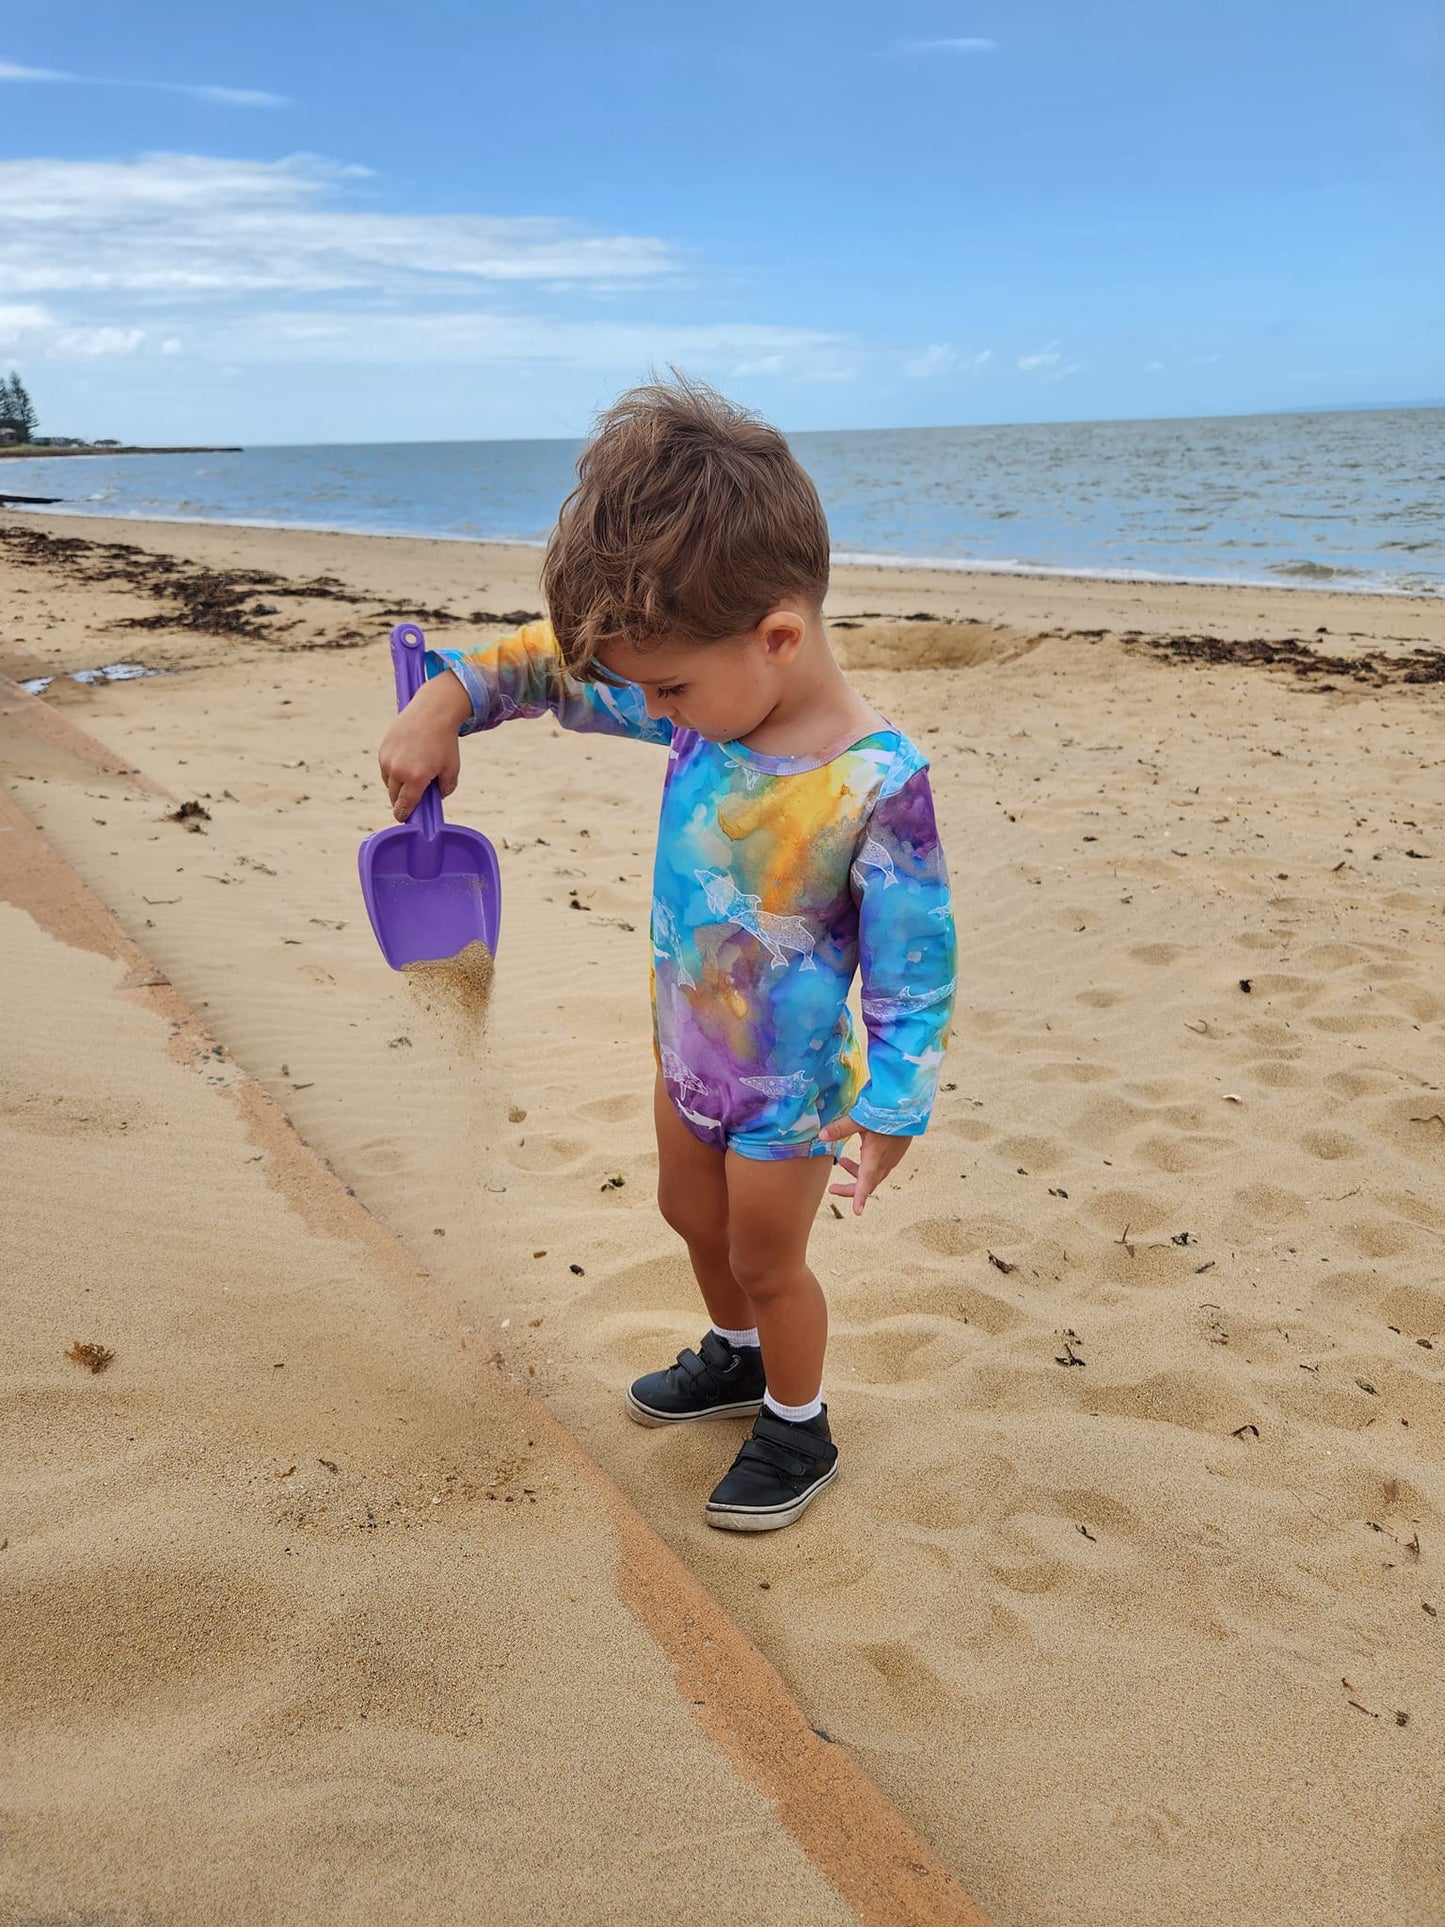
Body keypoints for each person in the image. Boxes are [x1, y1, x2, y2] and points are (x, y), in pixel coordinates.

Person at [378, 376, 956, 1532]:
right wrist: (445, 699)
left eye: (665, 684)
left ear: (777, 636)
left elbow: (913, 969)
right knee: (686, 1220)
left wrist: (894, 1102)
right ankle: (735, 1361)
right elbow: (551, 667)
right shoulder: (704, 701)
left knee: (764, 1255)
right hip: (683, 1057)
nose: (646, 703)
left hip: (789, 1094)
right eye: (646, 687)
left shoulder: (874, 784)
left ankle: (798, 1421)